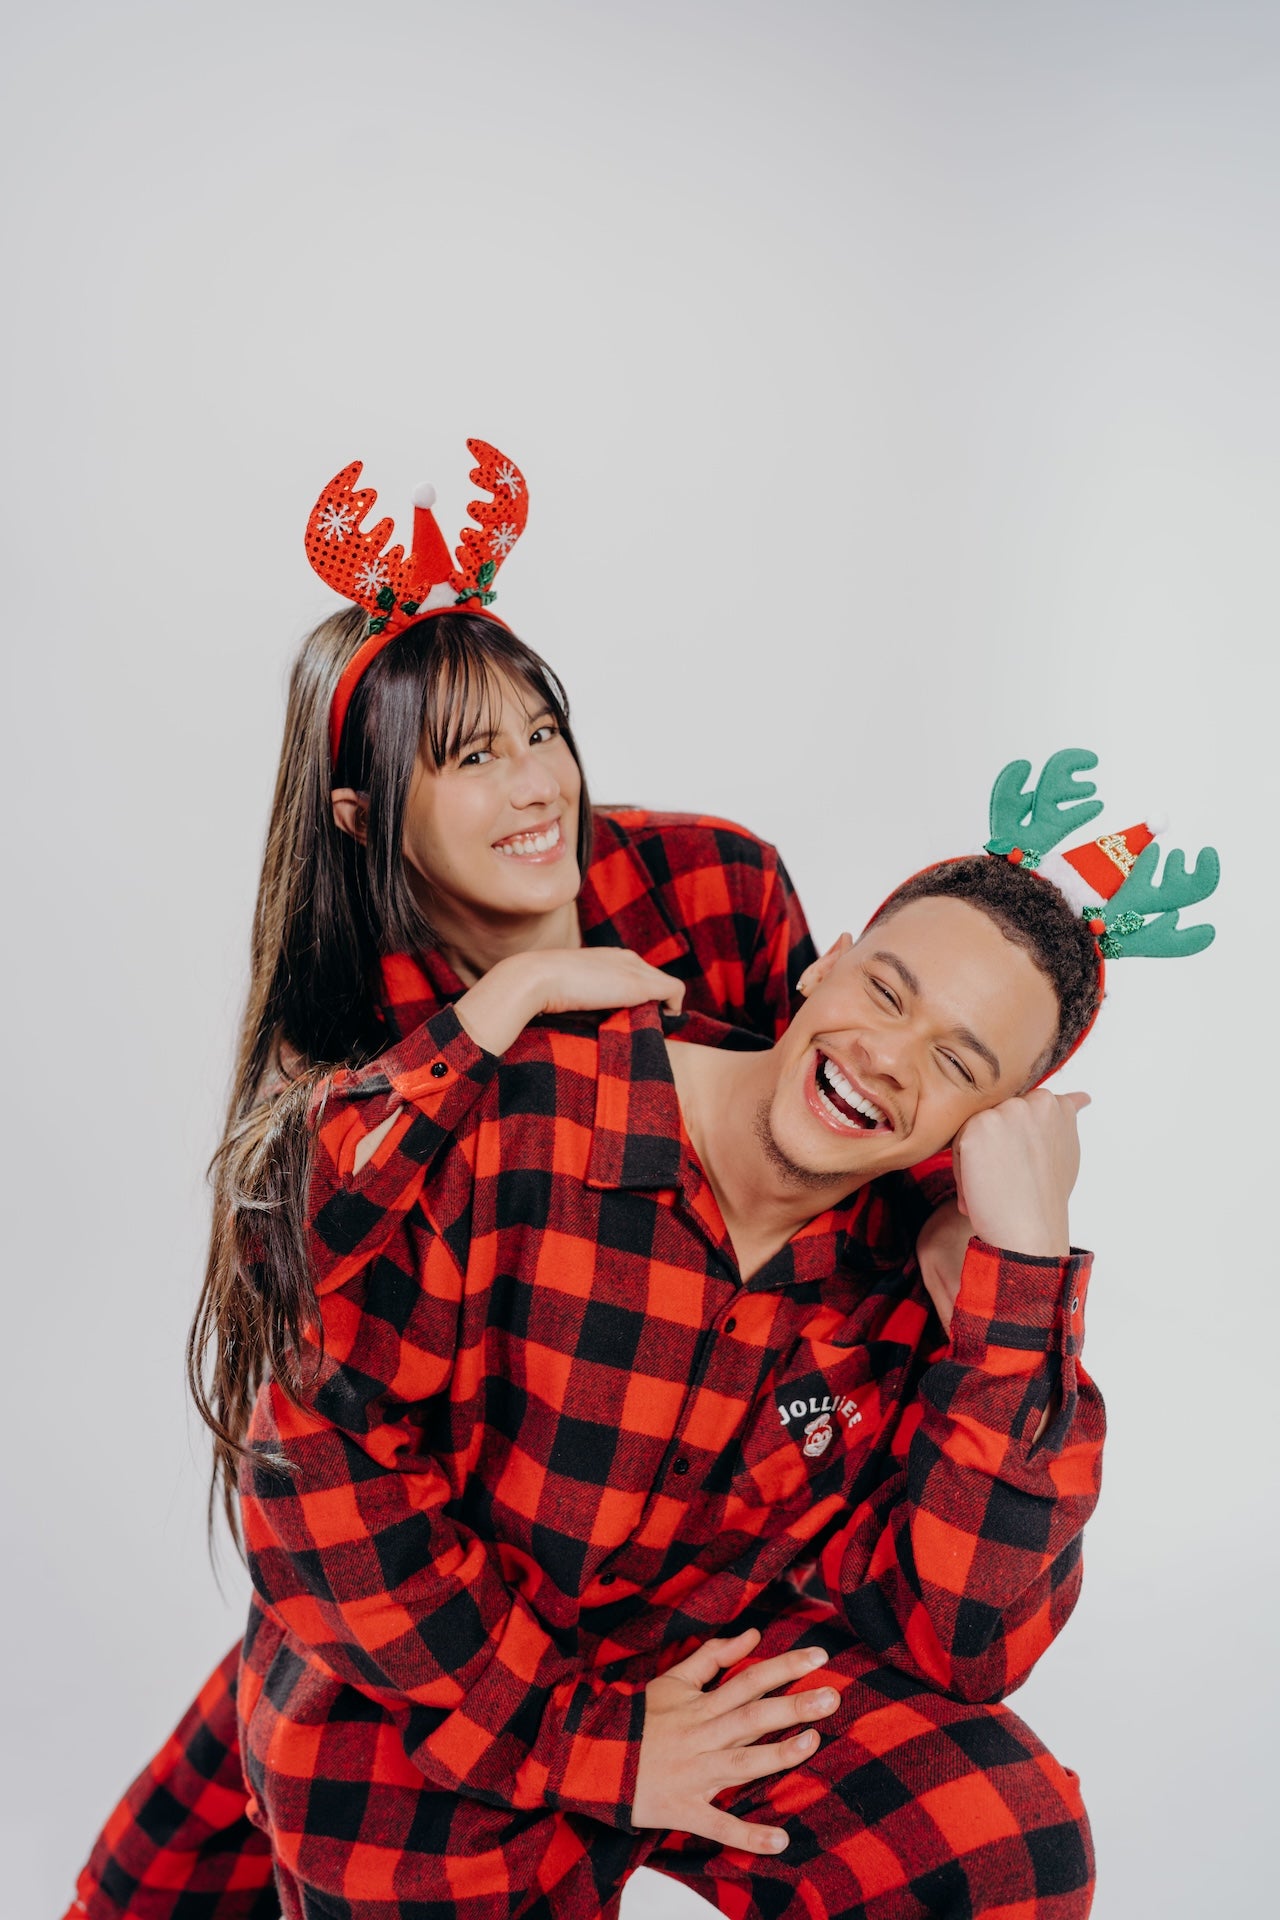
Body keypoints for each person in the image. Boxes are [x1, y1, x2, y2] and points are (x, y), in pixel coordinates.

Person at [65, 442, 963, 1920]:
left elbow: (843, 1106)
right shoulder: (346, 1046)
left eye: (542, 731)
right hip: (432, 1564)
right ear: (365, 819)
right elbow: (321, 1364)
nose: (536, 784)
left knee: (977, 1837)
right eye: (470, 759)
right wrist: (498, 1020)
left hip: (682, 1520)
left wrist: (953, 1232)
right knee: (262, 1807)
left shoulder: (717, 888)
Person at [227, 740, 1222, 1920]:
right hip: (433, 1703)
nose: (882, 1058)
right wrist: (592, 1744)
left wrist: (1022, 1282)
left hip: (703, 1676)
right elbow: (315, 1473)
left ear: (987, 1123)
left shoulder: (926, 1272)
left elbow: (966, 1640)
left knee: (997, 1847)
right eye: (885, 993)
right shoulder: (529, 1108)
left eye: (956, 1061)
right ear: (826, 967)